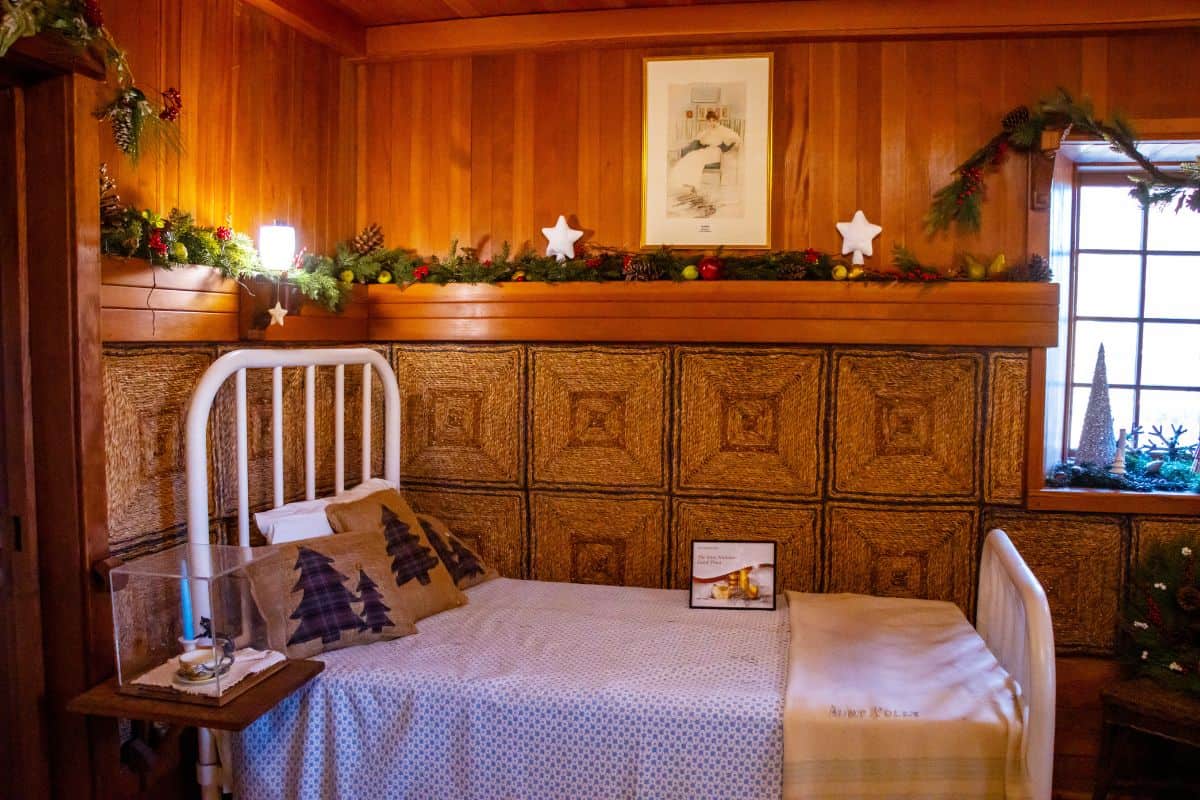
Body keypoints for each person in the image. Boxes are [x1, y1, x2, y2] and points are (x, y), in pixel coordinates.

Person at [668, 110, 741, 210]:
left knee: (698, 158)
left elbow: (736, 138)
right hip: (708, 149)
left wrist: (729, 143)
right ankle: (691, 183)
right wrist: (702, 140)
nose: (711, 123)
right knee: (692, 156)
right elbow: (699, 139)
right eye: (709, 121)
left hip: (716, 152)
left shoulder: (723, 130)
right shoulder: (707, 130)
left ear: (717, 120)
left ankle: (693, 184)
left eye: (713, 120)